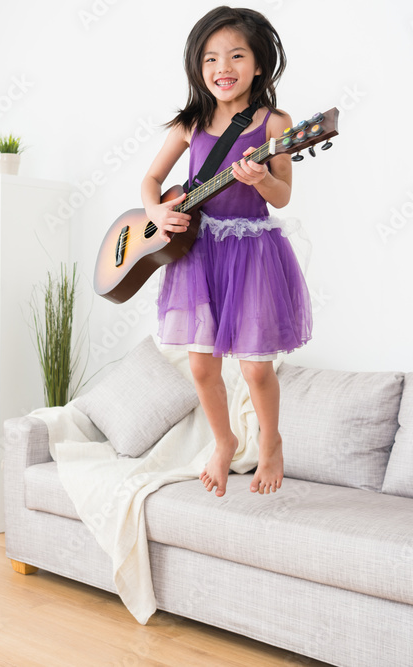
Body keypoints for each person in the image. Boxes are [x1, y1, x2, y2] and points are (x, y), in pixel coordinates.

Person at [142, 6, 312, 497]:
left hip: (252, 251)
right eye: (212, 57)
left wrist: (262, 180)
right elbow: (152, 180)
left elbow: (283, 195)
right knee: (200, 364)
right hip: (199, 251)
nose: (224, 67)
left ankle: (271, 441)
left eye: (237, 55)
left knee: (256, 367)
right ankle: (223, 441)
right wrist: (155, 213)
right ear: (198, 67)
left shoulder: (274, 121)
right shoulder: (190, 123)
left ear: (258, 64)